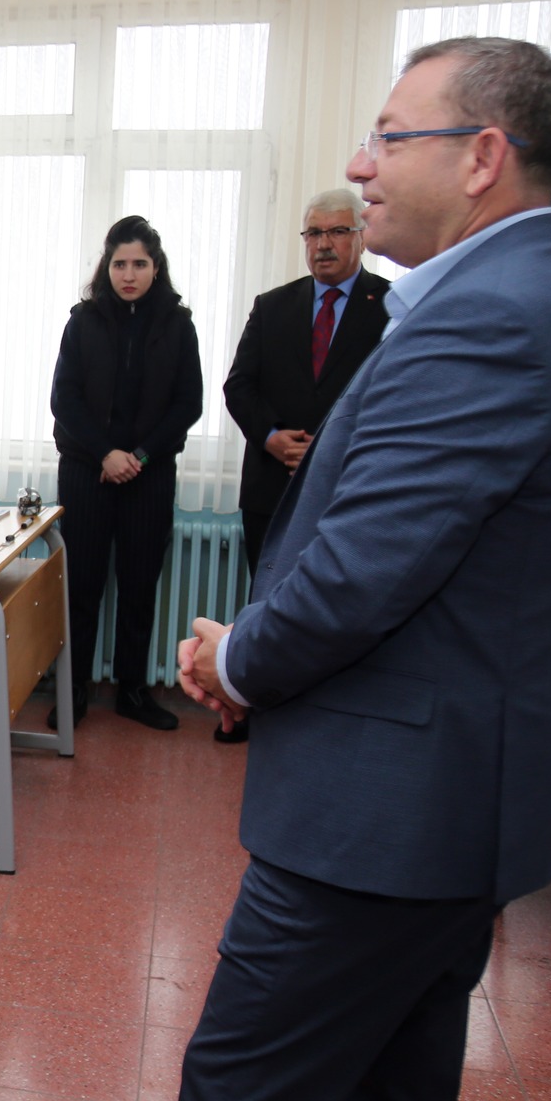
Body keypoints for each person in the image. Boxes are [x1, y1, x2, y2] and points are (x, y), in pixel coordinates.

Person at [145, 37, 551, 1101]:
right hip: (454, 806)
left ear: (481, 158)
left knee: (238, 1090)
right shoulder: (531, 300)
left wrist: (236, 656)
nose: (357, 168)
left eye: (386, 136)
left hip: (383, 816)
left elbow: (364, 569)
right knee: (399, 1088)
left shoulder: (490, 320)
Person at [215, 192, 392, 743]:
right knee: (266, 601)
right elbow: (238, 386)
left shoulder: (390, 305)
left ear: (361, 237)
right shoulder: (273, 306)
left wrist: (328, 449)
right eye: (313, 234)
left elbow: (394, 396)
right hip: (272, 485)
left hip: (347, 488)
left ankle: (321, 718)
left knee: (333, 609)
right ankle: (251, 707)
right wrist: (271, 438)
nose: (323, 245)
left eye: (337, 232)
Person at [50, 215, 204, 732]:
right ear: (106, 266)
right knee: (81, 588)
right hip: (87, 471)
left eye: (139, 263)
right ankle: (72, 692)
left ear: (155, 268)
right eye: (119, 263)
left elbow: (189, 403)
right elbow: (63, 399)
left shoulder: (178, 323)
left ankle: (133, 692)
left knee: (139, 588)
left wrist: (137, 454)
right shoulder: (84, 319)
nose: (128, 273)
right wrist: (106, 454)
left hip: (150, 472)